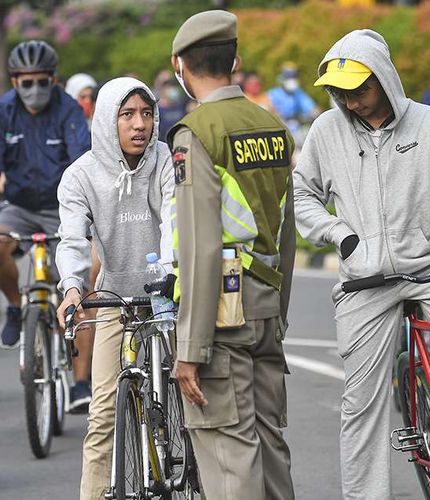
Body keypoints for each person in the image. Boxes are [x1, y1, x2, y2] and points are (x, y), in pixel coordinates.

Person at [294, 29, 430, 500]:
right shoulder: (326, 132)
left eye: (360, 90)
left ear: (386, 79)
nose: (351, 102)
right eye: (341, 93)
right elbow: (302, 194)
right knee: (360, 404)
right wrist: (341, 236)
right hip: (364, 280)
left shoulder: (426, 125)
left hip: (427, 270)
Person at [168, 11, 296, 500]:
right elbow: (285, 227)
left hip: (222, 319)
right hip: (266, 309)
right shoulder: (272, 126)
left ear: (181, 65)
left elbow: (200, 247)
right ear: (234, 61)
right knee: (270, 445)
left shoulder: (196, 132)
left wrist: (190, 349)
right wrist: (279, 314)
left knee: (229, 454)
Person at [56, 76, 173, 499]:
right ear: (108, 120)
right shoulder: (80, 176)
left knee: (195, 399)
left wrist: (173, 272)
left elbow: (175, 219)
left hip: (168, 295)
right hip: (115, 301)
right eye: (127, 115)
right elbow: (71, 240)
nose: (139, 124)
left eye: (146, 113)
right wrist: (72, 288)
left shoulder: (166, 160)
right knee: (103, 411)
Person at [0, 40, 93, 407]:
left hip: (62, 206)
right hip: (18, 205)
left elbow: (82, 161)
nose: (34, 90)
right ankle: (12, 304)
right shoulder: (1, 113)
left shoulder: (68, 110)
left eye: (42, 82)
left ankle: (80, 383)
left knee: (80, 291)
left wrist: (88, 215)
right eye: (26, 83)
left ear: (53, 81)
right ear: (13, 81)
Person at [267, 62, 319, 136]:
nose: (292, 79)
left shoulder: (298, 93)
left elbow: (311, 108)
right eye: (289, 77)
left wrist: (316, 113)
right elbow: (271, 111)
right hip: (279, 132)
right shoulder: (273, 94)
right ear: (281, 78)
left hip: (297, 132)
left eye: (294, 76)